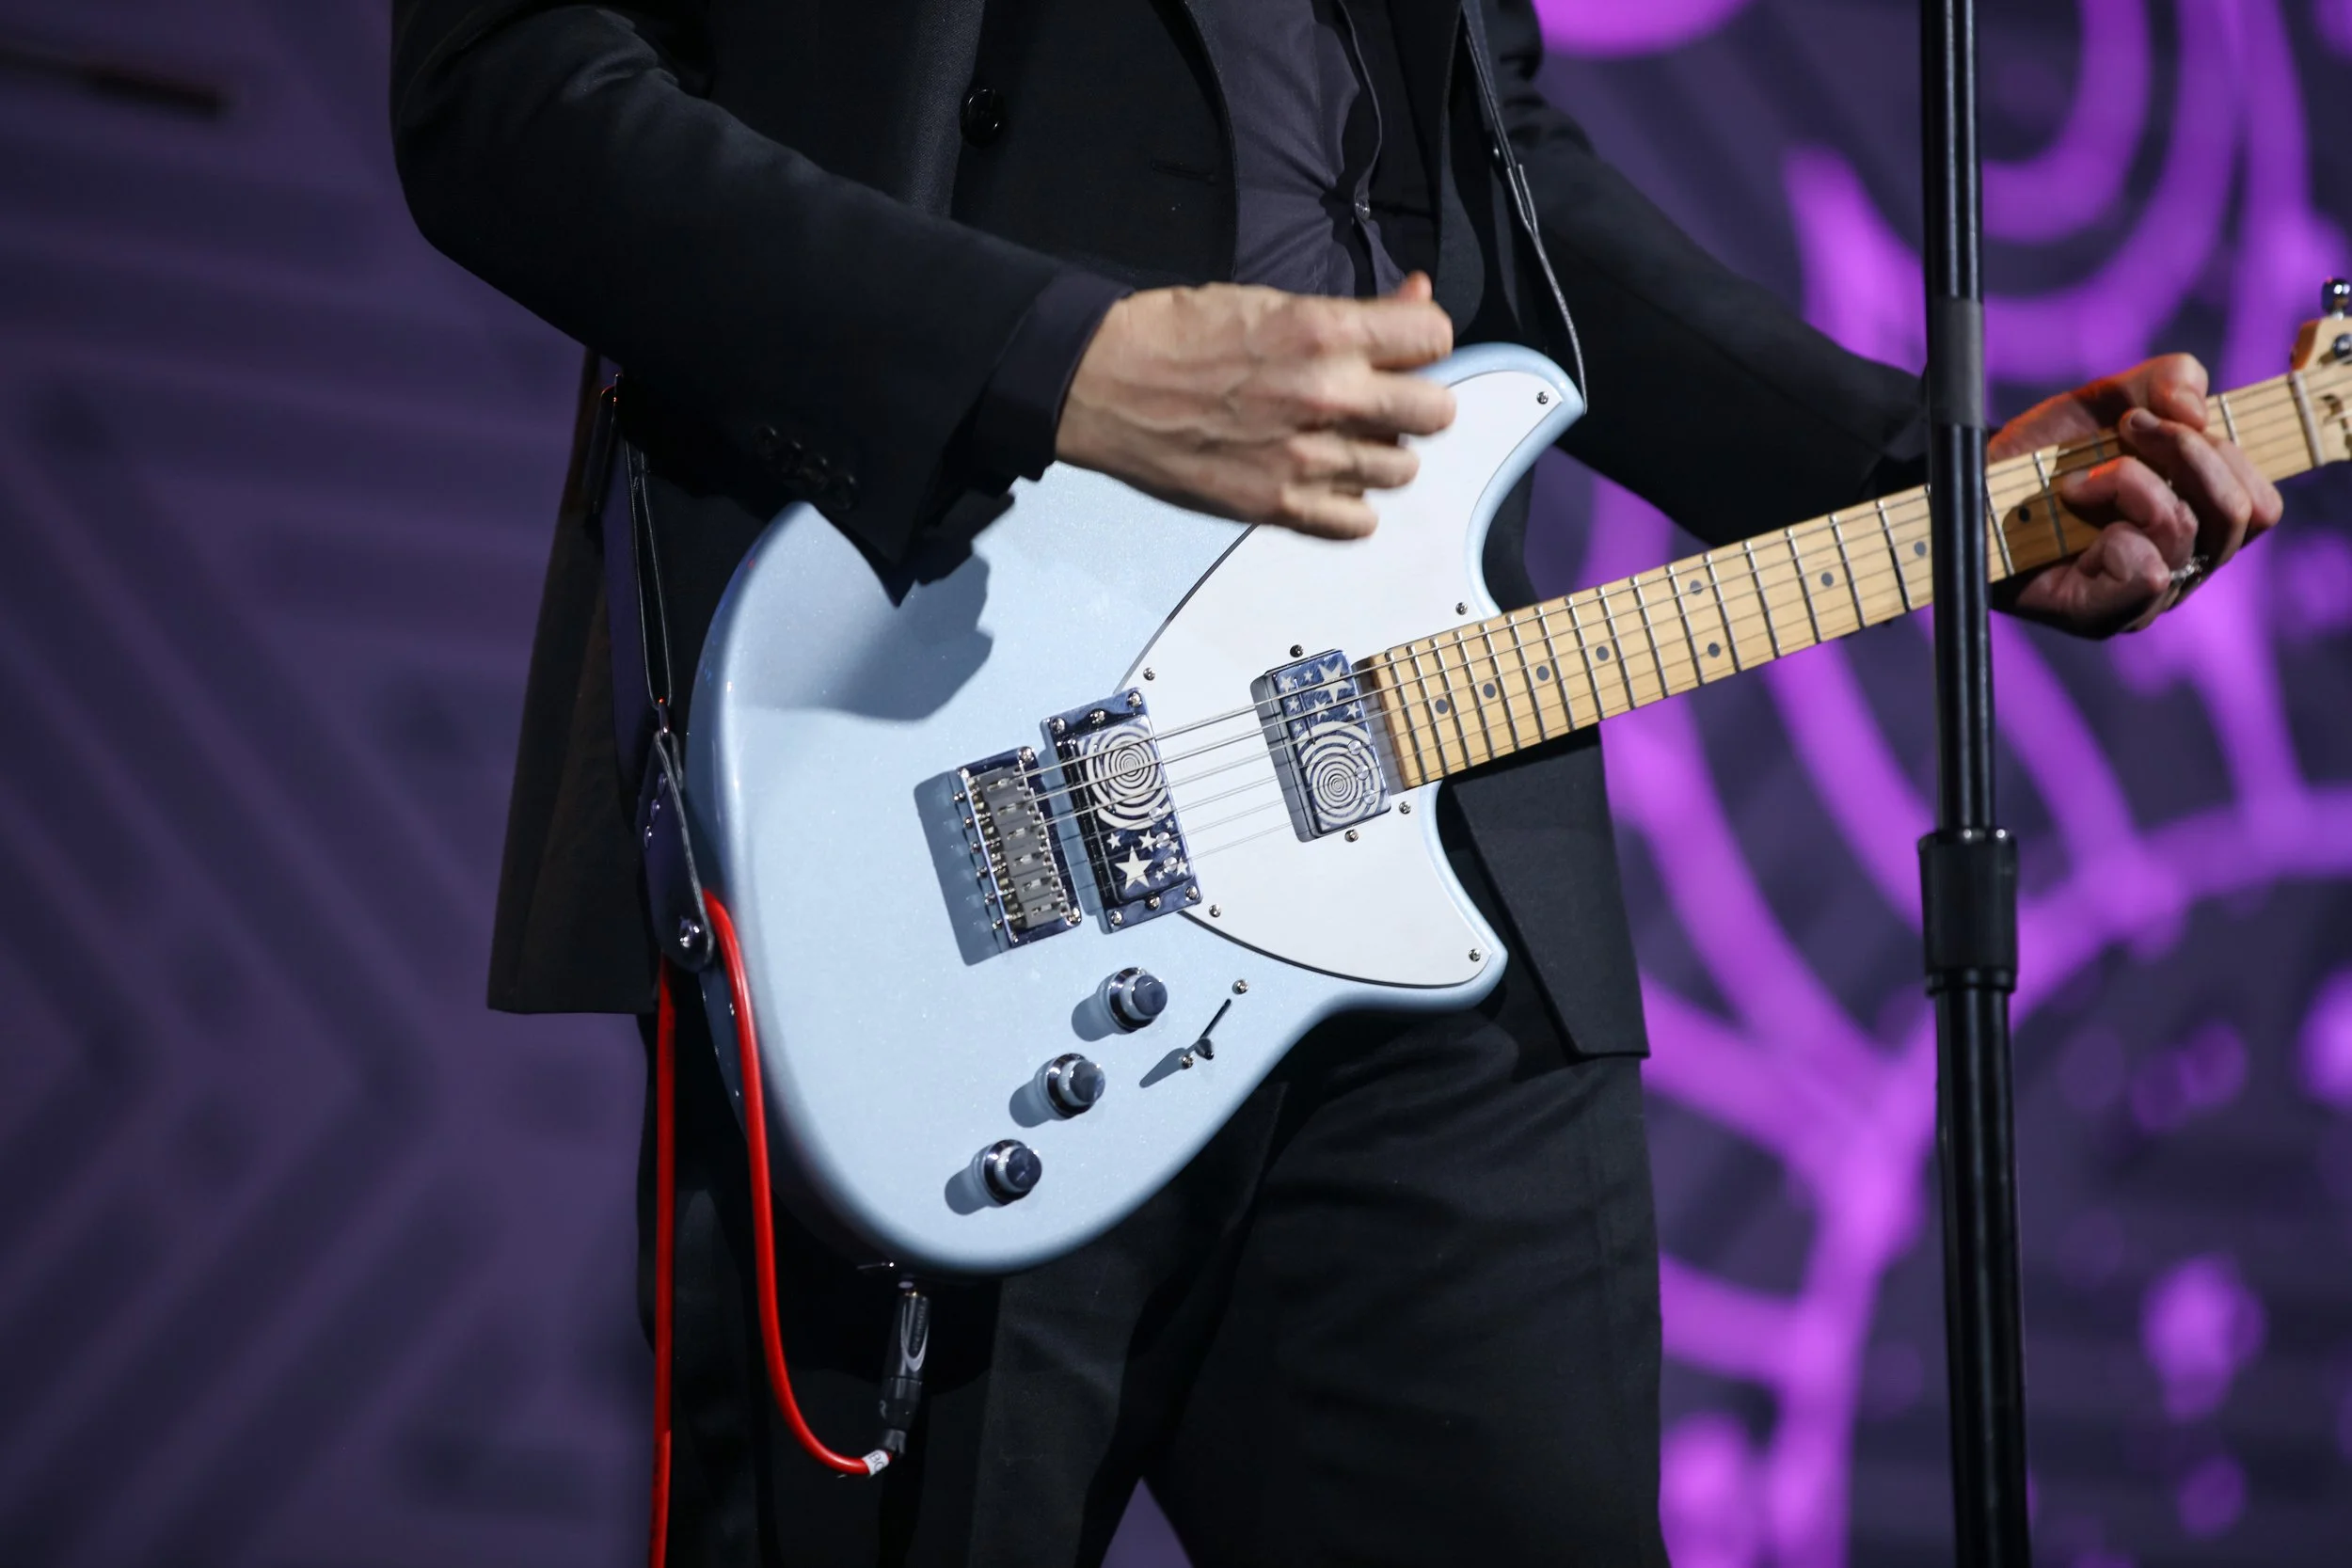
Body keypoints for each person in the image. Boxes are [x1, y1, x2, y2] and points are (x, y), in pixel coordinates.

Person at [389, 2, 2283, 1562]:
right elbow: (509, 84)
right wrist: (1053, 361)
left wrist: (1930, 484)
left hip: (1436, 839)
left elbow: (1500, 178)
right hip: (931, 801)